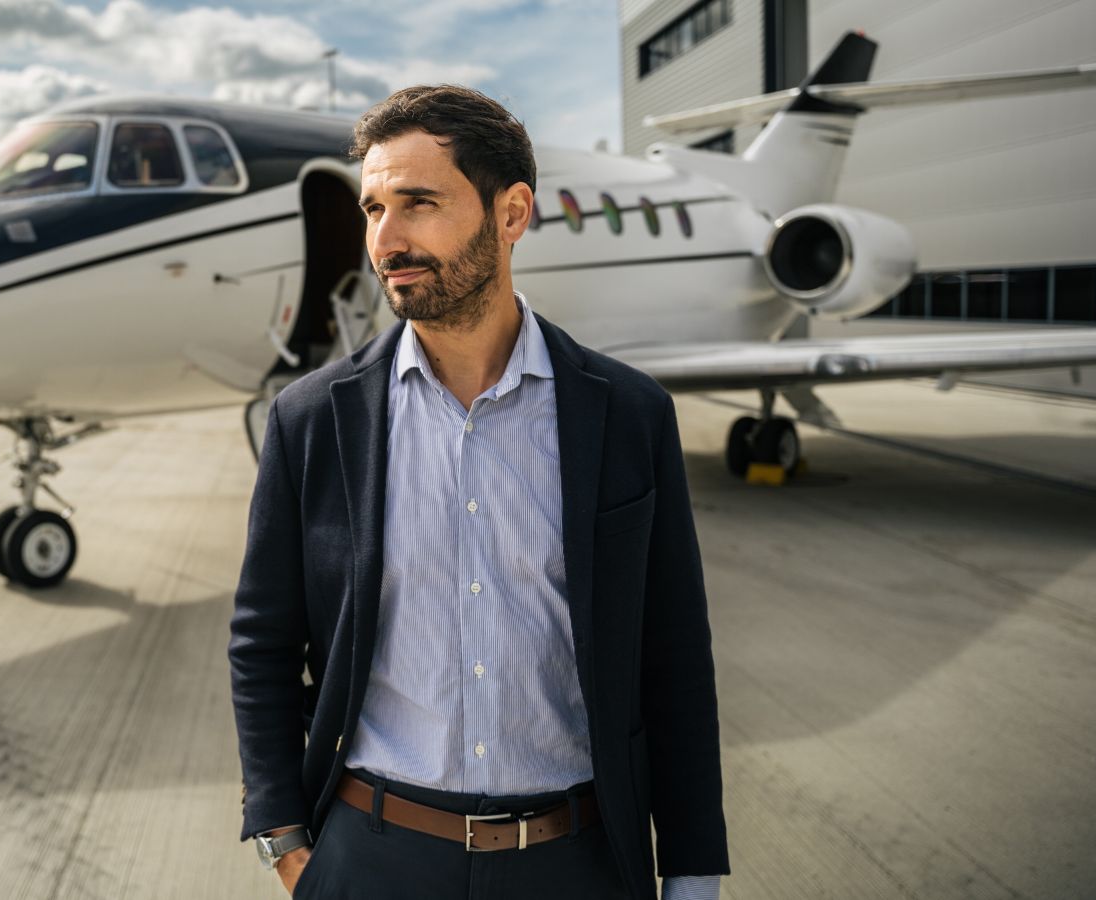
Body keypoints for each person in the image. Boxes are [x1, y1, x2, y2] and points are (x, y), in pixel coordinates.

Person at [228, 85, 728, 899]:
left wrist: (694, 872)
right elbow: (263, 643)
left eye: (419, 203)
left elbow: (672, 655)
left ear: (511, 213)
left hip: (577, 862)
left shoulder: (629, 415)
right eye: (374, 209)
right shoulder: (311, 420)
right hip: (372, 856)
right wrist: (284, 838)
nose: (386, 239)